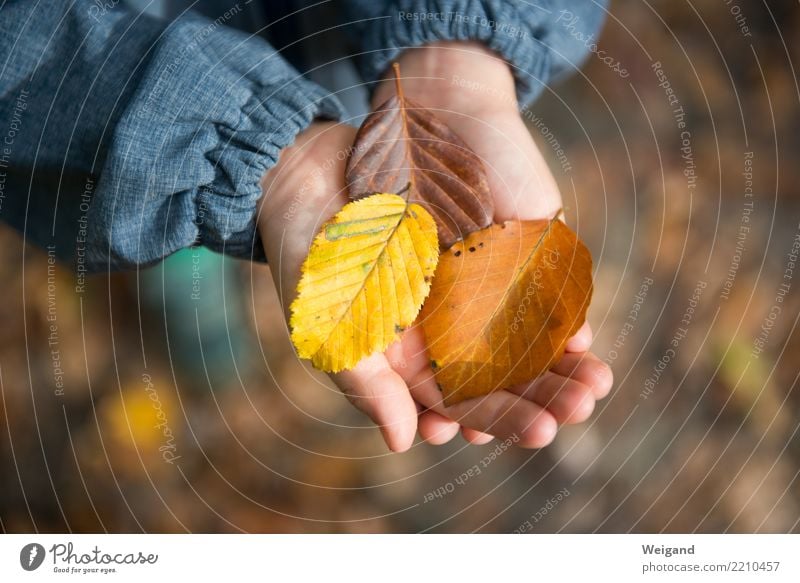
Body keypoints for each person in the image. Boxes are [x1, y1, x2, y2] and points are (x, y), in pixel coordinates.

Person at [0, 0, 613, 452]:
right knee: (168, 204)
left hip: (336, 58)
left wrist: (454, 45)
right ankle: (183, 244)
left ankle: (203, 214)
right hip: (111, 94)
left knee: (241, 192)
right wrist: (250, 151)